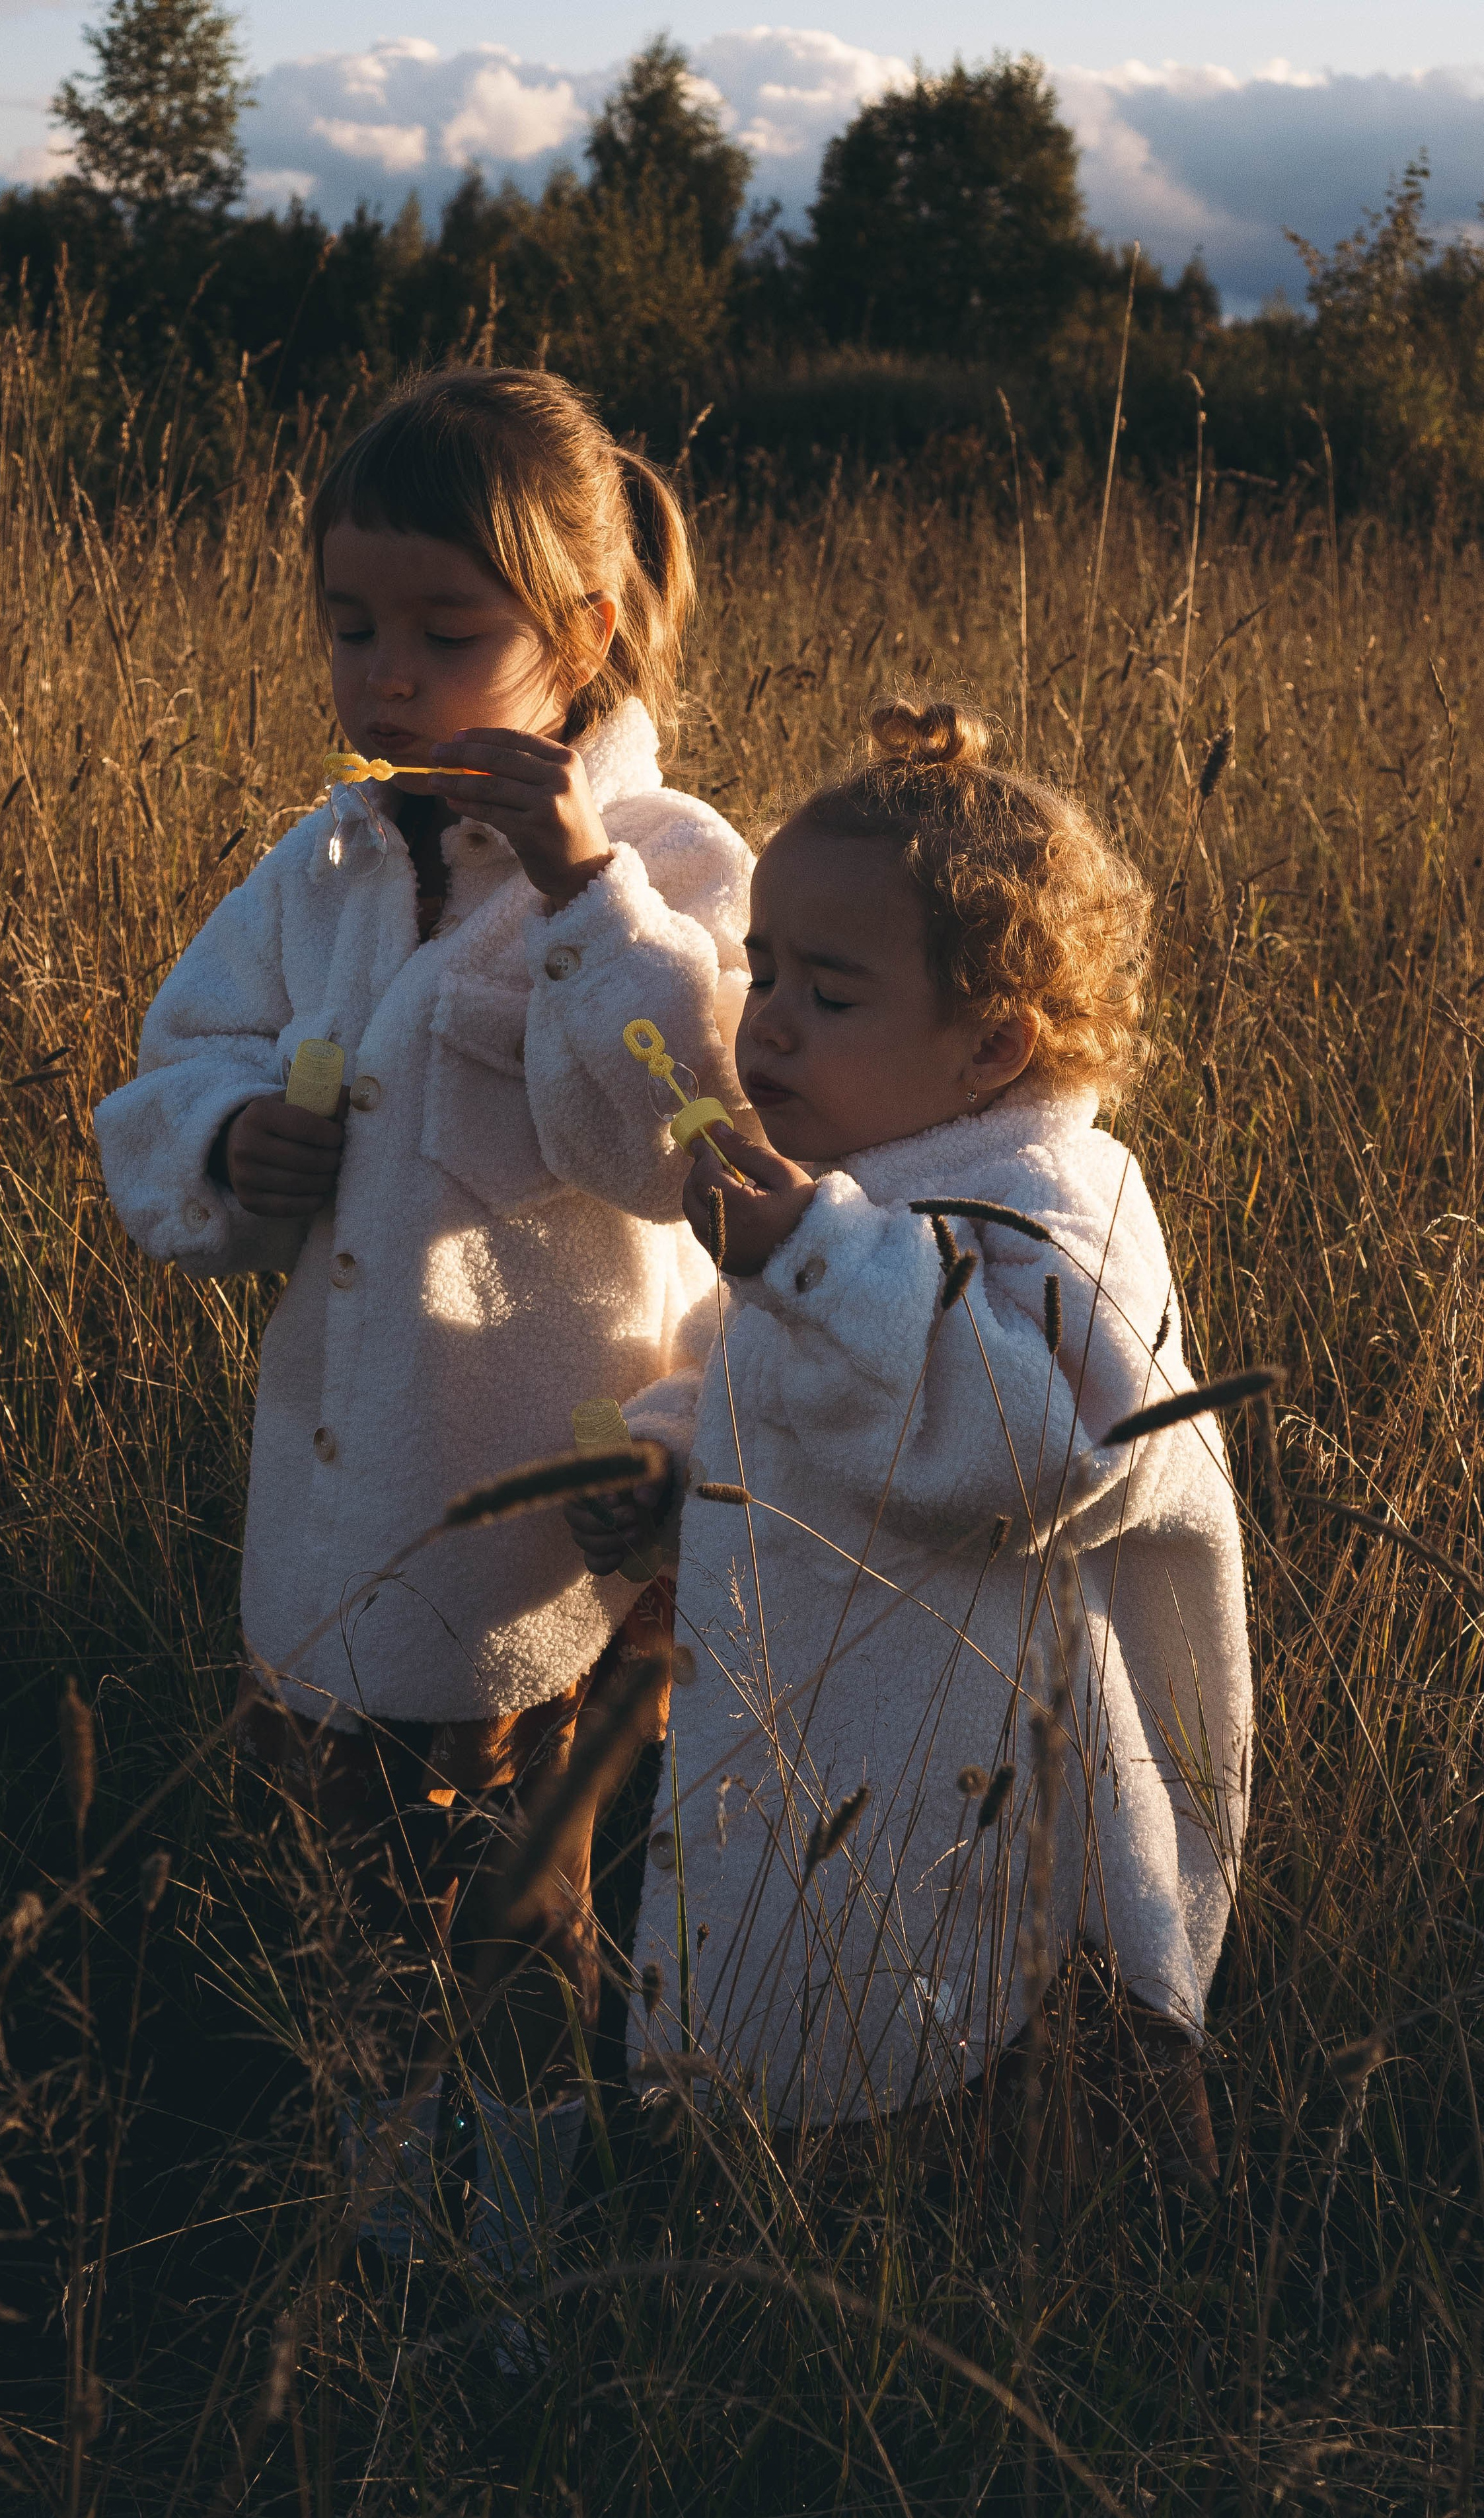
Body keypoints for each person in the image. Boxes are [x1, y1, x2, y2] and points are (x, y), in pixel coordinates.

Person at [94, 367, 751, 2263]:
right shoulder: (327, 858)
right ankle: (389, 2250)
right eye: (351, 625)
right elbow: (176, 1057)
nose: (388, 675)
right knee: (361, 1915)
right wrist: (234, 1140)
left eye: (449, 635)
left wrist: (576, 887)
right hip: (346, 1511)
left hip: (548, 1530)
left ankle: (528, 2277)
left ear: (586, 632)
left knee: (527, 1924)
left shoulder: (678, 867)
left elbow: (679, 1145)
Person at [568, 696, 1251, 2190]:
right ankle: (781, 2254)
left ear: (989, 1043)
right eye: (762, 969)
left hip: (977, 1784)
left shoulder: (1054, 1204)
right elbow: (758, 1376)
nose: (767, 1021)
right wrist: (674, 1462)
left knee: (989, 2091)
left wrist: (813, 1255)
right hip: (817, 1735)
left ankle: (1044, 2314)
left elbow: (1052, 1453)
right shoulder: (858, 1179)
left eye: (830, 989)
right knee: (812, 2011)